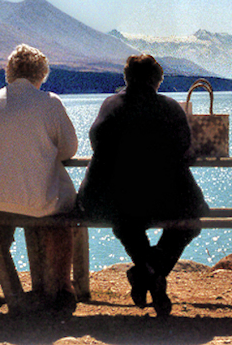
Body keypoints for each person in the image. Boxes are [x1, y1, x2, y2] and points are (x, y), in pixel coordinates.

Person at [76, 54, 208, 317]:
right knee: (193, 218)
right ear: (157, 81)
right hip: (161, 200)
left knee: (126, 223)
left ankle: (146, 271)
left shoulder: (110, 105)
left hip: (108, 200)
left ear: (127, 79)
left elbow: (96, 142)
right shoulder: (170, 108)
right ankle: (151, 271)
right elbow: (184, 147)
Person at [0, 44, 79, 315]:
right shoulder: (50, 102)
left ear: (9, 72)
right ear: (42, 74)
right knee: (60, 222)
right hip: (30, 200)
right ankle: (63, 290)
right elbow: (69, 149)